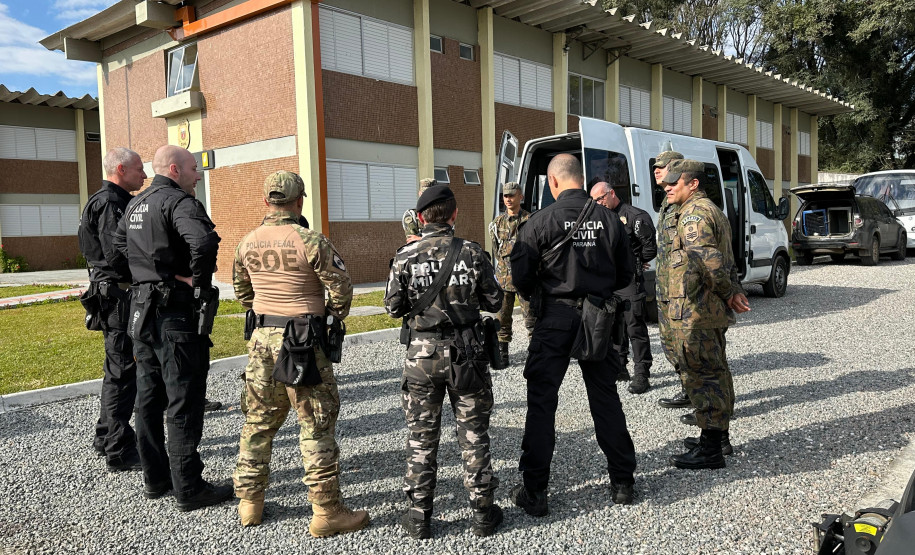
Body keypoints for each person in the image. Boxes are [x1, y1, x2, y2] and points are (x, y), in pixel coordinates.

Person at [232, 171, 370, 536]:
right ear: (299, 202)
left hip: (261, 340)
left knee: (258, 421)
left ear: (266, 201)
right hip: (303, 341)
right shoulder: (309, 239)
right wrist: (331, 314)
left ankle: (250, 504)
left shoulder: (247, 242)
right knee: (315, 423)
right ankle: (327, 512)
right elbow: (340, 288)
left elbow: (242, 293)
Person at [509, 154, 637, 514]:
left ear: (552, 182)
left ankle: (535, 492)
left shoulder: (539, 222)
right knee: (605, 398)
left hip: (554, 318)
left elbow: (520, 278)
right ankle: (623, 481)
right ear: (582, 180)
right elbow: (627, 275)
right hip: (598, 317)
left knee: (542, 402)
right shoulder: (609, 220)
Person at [112, 144, 228, 511]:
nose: (198, 175)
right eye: (194, 169)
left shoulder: (134, 204)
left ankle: (156, 479)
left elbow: (116, 250)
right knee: (183, 399)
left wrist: (148, 276)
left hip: (140, 315)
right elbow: (204, 241)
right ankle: (189, 487)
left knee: (148, 401)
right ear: (175, 170)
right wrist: (195, 281)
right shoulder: (179, 202)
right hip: (173, 315)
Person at [385, 185, 504, 539]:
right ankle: (483, 513)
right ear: (454, 215)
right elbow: (495, 301)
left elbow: (393, 309)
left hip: (422, 356)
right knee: (473, 434)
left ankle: (419, 517)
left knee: (421, 438)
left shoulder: (405, 256)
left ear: (421, 218)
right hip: (467, 356)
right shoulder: (472, 252)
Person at [657, 159, 750, 469]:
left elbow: (709, 261)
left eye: (675, 182)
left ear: (692, 184)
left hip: (696, 310)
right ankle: (718, 439)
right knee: (714, 369)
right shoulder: (709, 209)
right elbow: (726, 258)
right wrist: (732, 289)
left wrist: (729, 291)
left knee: (703, 374)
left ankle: (711, 448)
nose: (668, 186)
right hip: (702, 308)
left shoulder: (693, 215)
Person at [78, 147, 146, 471]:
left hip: (111, 297)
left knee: (115, 370)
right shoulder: (110, 203)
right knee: (123, 373)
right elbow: (118, 254)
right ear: (121, 169)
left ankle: (105, 435)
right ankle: (119, 451)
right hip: (117, 298)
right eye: (139, 170)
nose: (144, 176)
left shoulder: (107, 200)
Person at [590, 181, 657, 394]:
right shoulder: (598, 218)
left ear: (611, 194)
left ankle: (642, 373)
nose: (598, 203)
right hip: (609, 281)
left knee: (634, 325)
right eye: (594, 200)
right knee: (613, 325)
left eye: (601, 198)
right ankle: (620, 367)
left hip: (629, 281)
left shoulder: (635, 216)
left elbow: (649, 248)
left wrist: (635, 261)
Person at [652, 151, 694, 411]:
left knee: (689, 347)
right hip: (666, 288)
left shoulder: (685, 203)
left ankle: (704, 402)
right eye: (655, 167)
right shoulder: (667, 202)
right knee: (670, 343)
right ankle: (687, 389)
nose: (656, 170)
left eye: (662, 167)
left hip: (682, 291)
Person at [488, 181, 534, 366]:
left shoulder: (531, 221)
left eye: (512, 195)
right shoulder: (497, 223)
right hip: (504, 280)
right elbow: (496, 251)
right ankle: (502, 355)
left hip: (525, 280)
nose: (508, 199)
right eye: (505, 196)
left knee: (531, 320)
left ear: (520, 196)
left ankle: (535, 355)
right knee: (502, 319)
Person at [401, 178, 438, 242]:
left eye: (431, 193)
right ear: (420, 193)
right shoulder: (412, 215)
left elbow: (448, 241)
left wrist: (421, 239)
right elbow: (412, 242)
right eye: (425, 193)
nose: (428, 196)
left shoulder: (444, 213)